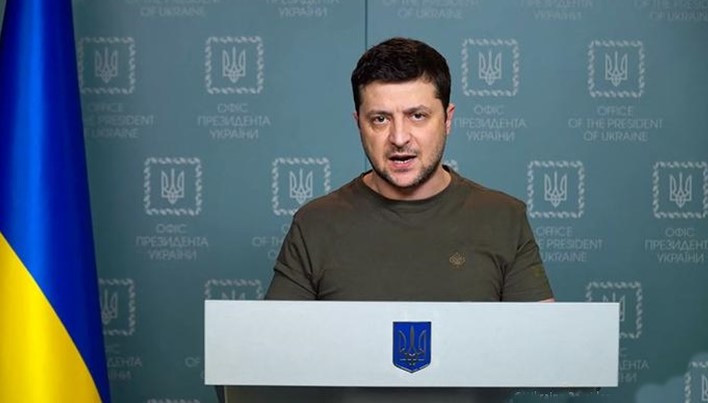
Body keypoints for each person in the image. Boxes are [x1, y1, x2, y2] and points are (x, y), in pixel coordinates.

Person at [265, 37, 554, 303]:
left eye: (417, 116)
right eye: (380, 119)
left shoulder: (505, 218)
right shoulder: (314, 223)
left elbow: (538, 337)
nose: (399, 138)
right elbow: (278, 338)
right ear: (359, 124)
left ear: (447, 120)